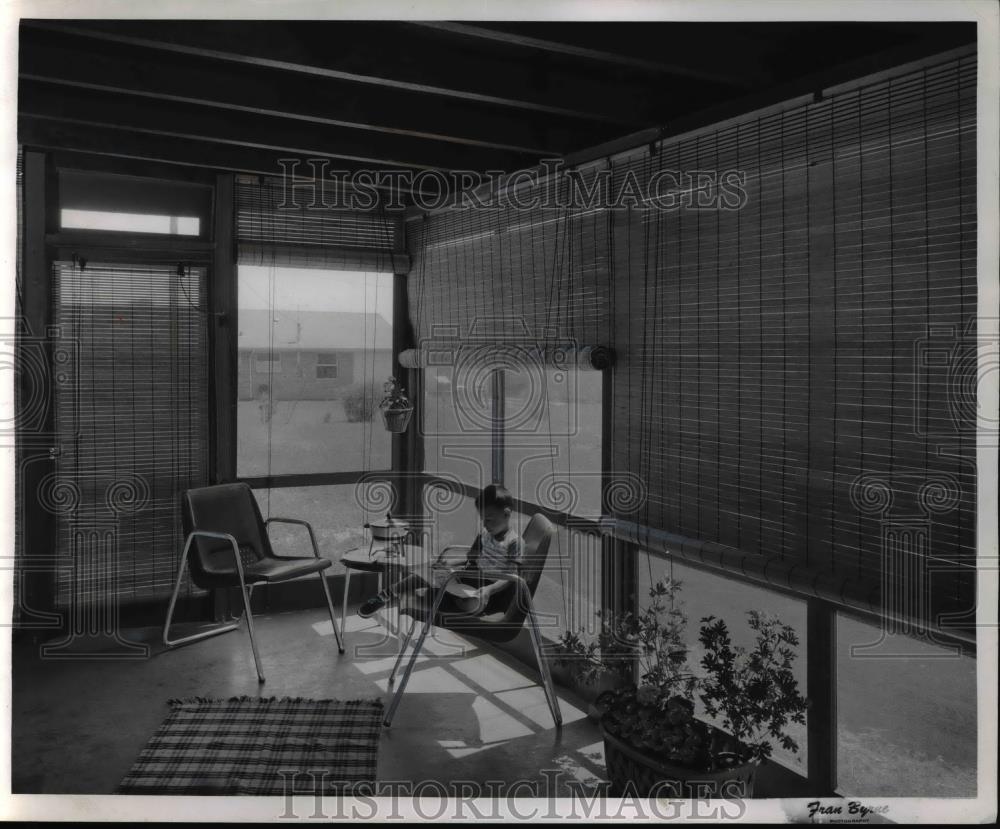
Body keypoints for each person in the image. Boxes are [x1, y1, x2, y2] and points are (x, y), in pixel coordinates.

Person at [358, 483, 523, 618]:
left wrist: (489, 590)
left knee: (473, 602)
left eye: (489, 519)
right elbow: (470, 559)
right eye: (482, 519)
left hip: (489, 589)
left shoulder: (515, 542)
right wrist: (446, 563)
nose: (485, 524)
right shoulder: (485, 534)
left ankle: (443, 597)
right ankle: (387, 594)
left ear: (506, 514)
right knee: (428, 570)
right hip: (468, 577)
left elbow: (511, 577)